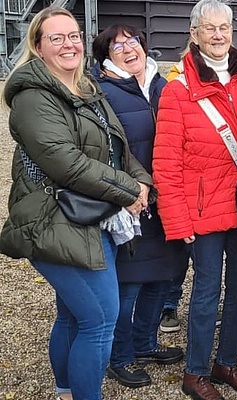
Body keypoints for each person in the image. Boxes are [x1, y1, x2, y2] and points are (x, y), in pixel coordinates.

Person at [0, 6, 153, 400]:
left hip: (90, 215)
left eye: (74, 36)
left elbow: (116, 145)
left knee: (73, 314)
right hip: (54, 218)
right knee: (101, 320)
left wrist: (141, 181)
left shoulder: (85, 87)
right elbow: (65, 162)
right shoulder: (34, 97)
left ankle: (66, 391)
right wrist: (128, 190)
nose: (69, 44)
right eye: (57, 37)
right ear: (38, 46)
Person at [153, 1, 237, 399]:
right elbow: (166, 162)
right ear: (194, 32)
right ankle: (195, 371)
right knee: (205, 292)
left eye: (224, 28)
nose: (218, 35)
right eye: (209, 28)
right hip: (202, 211)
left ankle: (226, 362)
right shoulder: (178, 89)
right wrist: (178, 221)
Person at [91, 24, 187, 388]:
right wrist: (129, 187)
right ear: (106, 56)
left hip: (167, 198)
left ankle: (146, 342)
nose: (129, 49)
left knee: (162, 278)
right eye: (118, 46)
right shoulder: (104, 92)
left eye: (133, 42)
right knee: (128, 284)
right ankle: (121, 355)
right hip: (131, 199)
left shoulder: (161, 85)